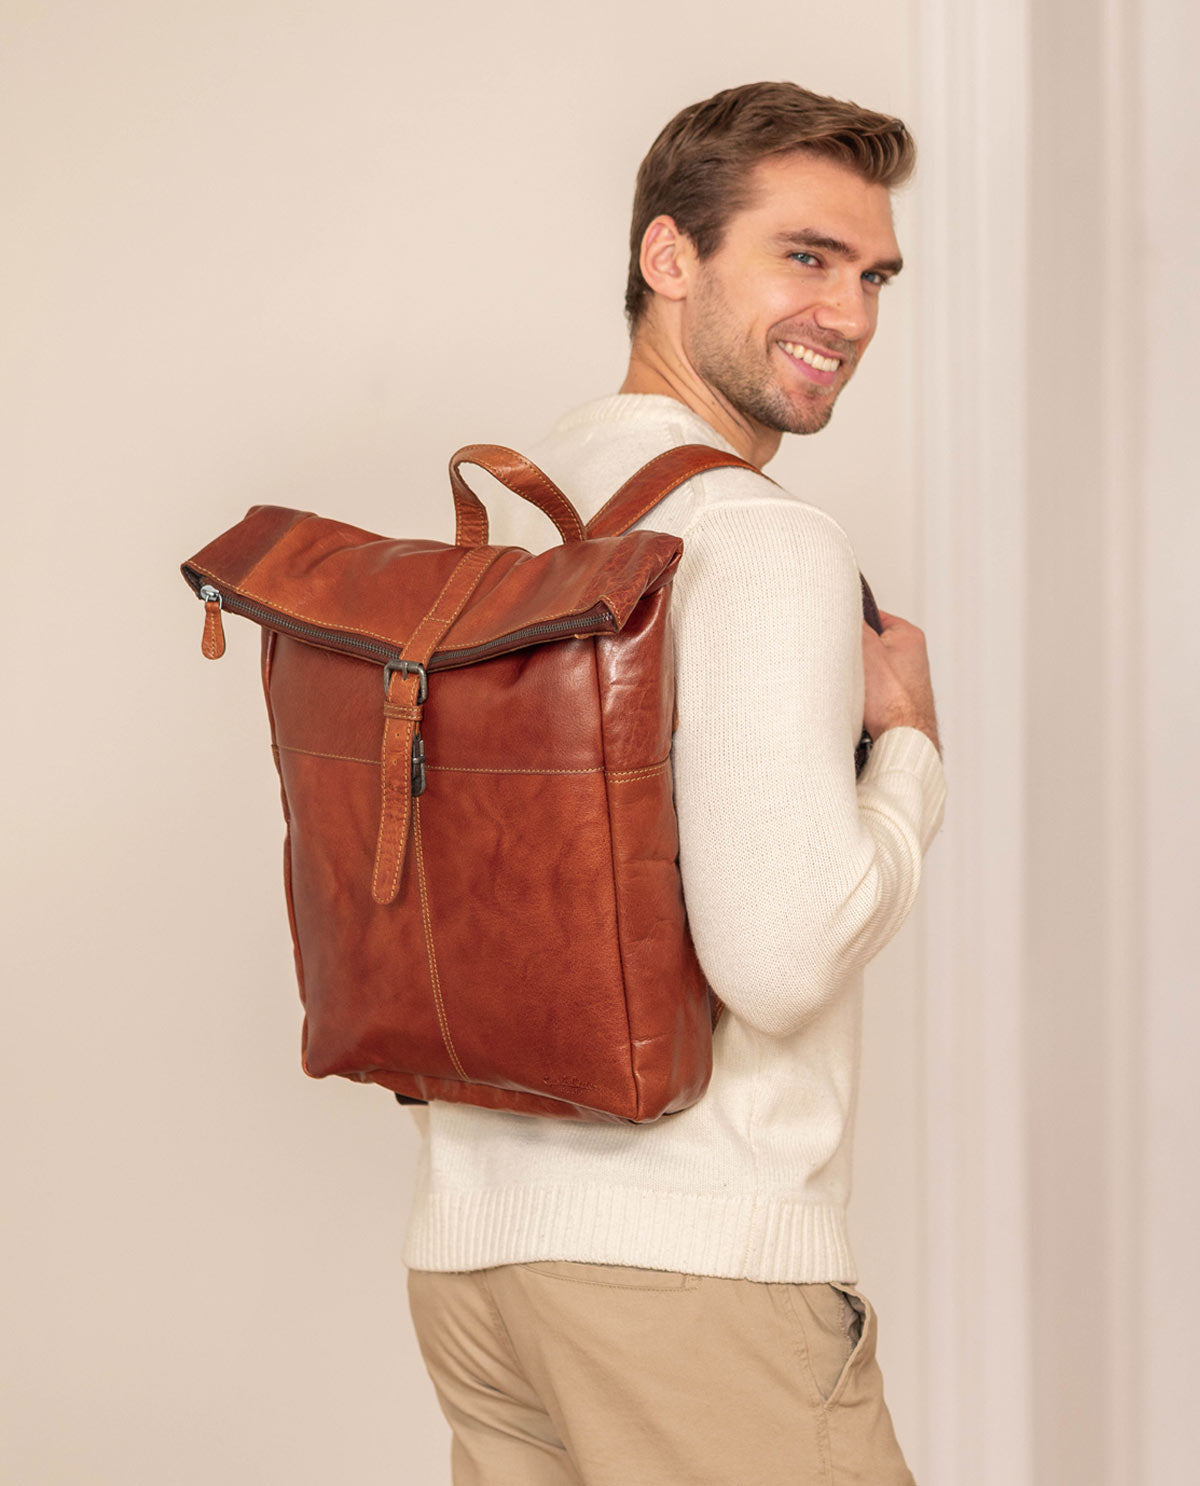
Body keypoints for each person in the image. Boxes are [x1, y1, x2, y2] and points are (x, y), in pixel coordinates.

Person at [403, 80, 945, 1485]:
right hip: (692, 1273)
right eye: (806, 256)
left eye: (874, 275)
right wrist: (910, 753)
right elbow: (777, 963)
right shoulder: (762, 539)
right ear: (669, 257)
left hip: (480, 1266)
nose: (850, 313)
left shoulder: (516, 513)